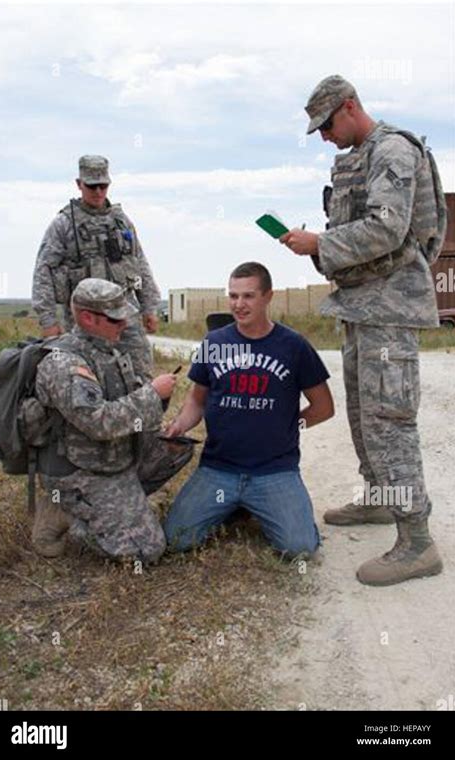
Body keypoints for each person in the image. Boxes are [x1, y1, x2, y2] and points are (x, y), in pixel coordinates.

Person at [279, 74, 444, 585]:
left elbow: (387, 228)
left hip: (390, 312)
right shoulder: (358, 156)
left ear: (350, 107)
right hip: (360, 306)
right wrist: (321, 248)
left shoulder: (391, 150)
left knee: (389, 421)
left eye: (327, 124)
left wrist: (319, 245)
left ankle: (417, 541)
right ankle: (380, 498)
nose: (324, 136)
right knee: (364, 413)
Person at [163, 262, 334, 556]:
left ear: (268, 297)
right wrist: (179, 425)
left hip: (274, 471)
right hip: (219, 468)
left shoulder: (293, 346)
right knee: (177, 540)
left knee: (300, 549)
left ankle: (259, 505)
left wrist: (290, 426)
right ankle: (236, 505)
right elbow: (197, 400)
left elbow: (324, 407)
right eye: (233, 296)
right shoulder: (215, 343)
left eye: (248, 296)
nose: (238, 304)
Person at [31, 278, 187, 563]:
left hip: (113, 458)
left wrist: (155, 397)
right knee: (145, 552)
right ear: (88, 318)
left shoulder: (107, 349)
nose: (124, 325)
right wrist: (152, 394)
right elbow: (99, 422)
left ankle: (120, 505)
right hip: (82, 470)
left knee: (174, 450)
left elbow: (127, 402)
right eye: (116, 320)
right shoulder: (64, 364)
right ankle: (67, 510)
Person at [32, 155, 160, 379]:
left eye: (103, 185)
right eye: (92, 186)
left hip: (125, 314)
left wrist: (149, 306)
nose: (98, 191)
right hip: (85, 321)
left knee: (141, 374)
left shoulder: (122, 222)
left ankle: (142, 413)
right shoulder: (63, 224)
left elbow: (140, 263)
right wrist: (48, 320)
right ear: (79, 184)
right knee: (89, 378)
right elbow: (43, 271)